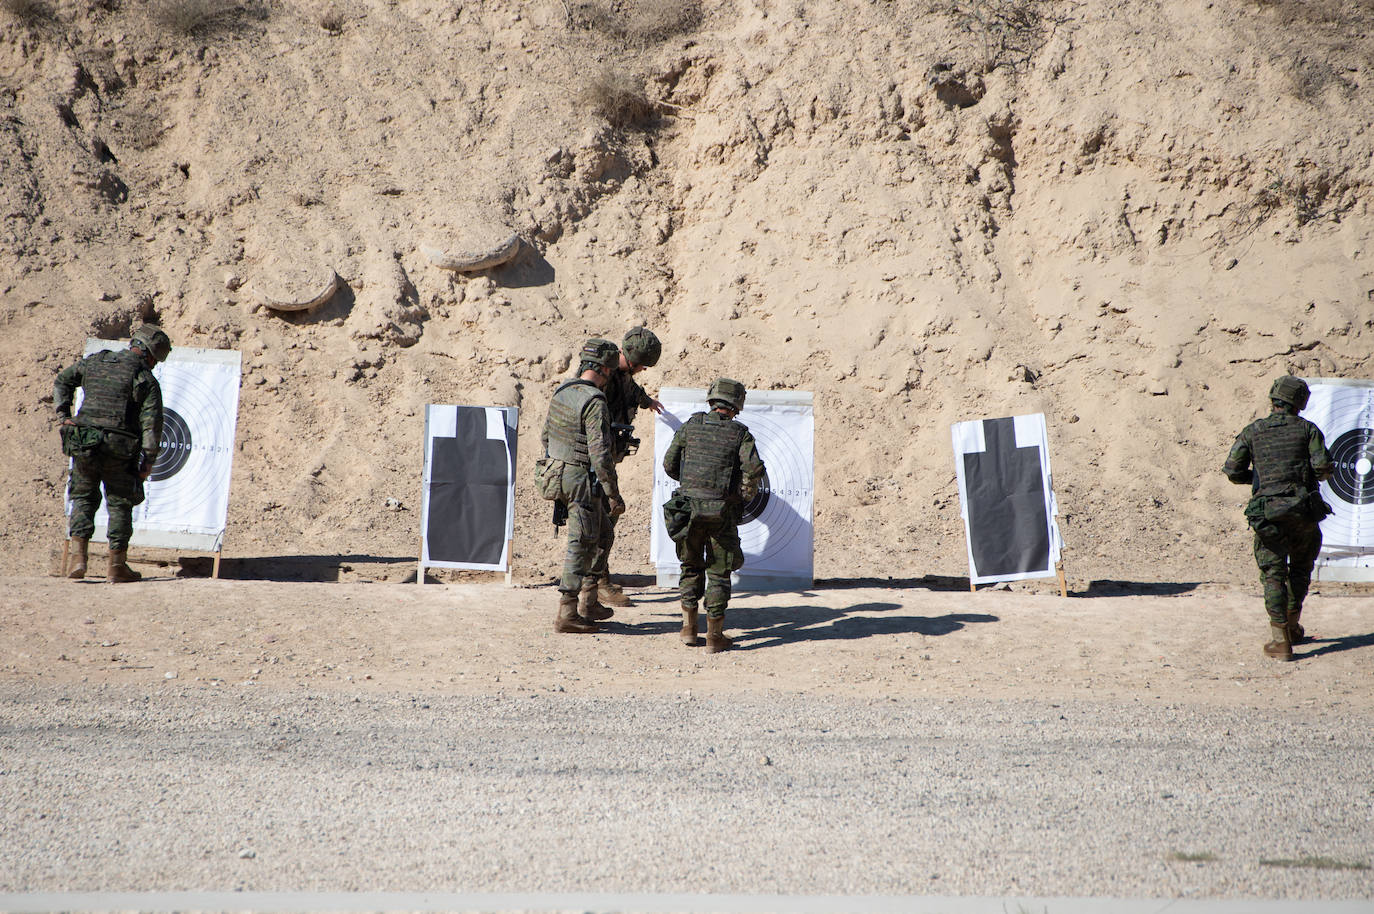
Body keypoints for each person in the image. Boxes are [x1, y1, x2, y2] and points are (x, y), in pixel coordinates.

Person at [1223, 375, 1333, 661]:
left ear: (1273, 398)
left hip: (1267, 513)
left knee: (1273, 574)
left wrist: (1260, 480)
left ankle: (1279, 639)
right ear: (1300, 402)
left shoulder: (1253, 431)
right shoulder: (1308, 430)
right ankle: (1293, 624)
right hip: (1302, 511)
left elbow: (1233, 470)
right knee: (1299, 570)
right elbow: (1322, 467)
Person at [53, 323, 171, 582]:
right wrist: (148, 460)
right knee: (119, 503)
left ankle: (78, 558)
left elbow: (63, 380)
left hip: (85, 441)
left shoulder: (96, 362)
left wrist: (64, 415)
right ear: (150, 355)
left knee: (83, 497)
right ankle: (116, 566)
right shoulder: (146, 379)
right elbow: (152, 425)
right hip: (120, 446)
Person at [662, 378, 765, 653]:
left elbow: (669, 465)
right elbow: (754, 469)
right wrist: (743, 494)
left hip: (688, 510)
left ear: (712, 399)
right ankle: (714, 636)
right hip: (722, 513)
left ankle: (688, 628)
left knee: (690, 566)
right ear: (737, 405)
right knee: (719, 572)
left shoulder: (690, 426)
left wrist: (690, 484)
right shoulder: (740, 433)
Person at [539, 338, 626, 633]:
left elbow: (545, 436)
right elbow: (600, 454)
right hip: (580, 480)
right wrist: (613, 494)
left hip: (556, 471)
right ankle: (567, 612)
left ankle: (589, 602)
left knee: (604, 534)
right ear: (603, 368)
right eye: (610, 372)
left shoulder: (563, 392)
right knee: (582, 542)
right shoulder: (594, 401)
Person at [589, 326, 665, 612]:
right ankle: (598, 582)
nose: (643, 370)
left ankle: (597, 577)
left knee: (605, 520)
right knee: (603, 521)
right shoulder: (603, 376)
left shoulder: (621, 375)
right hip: (596, 462)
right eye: (643, 365)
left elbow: (633, 392)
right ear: (632, 359)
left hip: (607, 459)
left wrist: (648, 402)